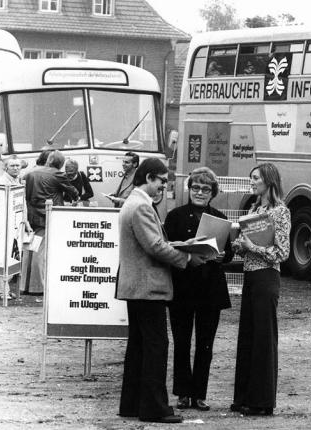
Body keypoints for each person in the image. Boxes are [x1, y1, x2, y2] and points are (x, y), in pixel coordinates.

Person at [116, 158, 207, 424]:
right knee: (156, 347)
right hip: (148, 288)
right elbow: (155, 246)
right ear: (148, 178)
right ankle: (155, 408)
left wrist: (182, 243)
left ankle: (132, 404)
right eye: (161, 181)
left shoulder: (134, 203)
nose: (163, 187)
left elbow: (155, 241)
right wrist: (187, 258)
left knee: (139, 348)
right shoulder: (142, 207)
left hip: (137, 287)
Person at [163, 167, 234, 413]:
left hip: (209, 289)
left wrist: (224, 255)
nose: (200, 192)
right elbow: (167, 247)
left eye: (205, 189)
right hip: (182, 287)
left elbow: (229, 253)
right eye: (195, 187)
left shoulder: (219, 217)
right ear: (189, 188)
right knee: (181, 343)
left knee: (206, 344)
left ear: (212, 192)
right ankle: (183, 393)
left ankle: (200, 394)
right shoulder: (175, 216)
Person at [230, 163, 290, 417]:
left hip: (267, 278)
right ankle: (244, 395)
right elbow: (251, 246)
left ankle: (262, 400)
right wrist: (239, 246)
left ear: (268, 180)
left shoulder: (280, 212)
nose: (252, 182)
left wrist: (252, 247)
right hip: (251, 276)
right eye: (251, 177)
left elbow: (282, 252)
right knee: (248, 336)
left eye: (255, 178)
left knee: (264, 337)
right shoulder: (255, 209)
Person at [23, 150, 78, 294]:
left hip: (30, 216)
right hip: (47, 216)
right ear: (60, 164)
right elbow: (74, 192)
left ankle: (25, 285)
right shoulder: (57, 174)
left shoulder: (31, 172)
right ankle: (38, 287)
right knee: (41, 252)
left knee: (29, 249)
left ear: (49, 160)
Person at [0, 156, 32, 301]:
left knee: (13, 257)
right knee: (4, 258)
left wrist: (26, 222)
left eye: (18, 165)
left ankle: (4, 290)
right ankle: (0, 291)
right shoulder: (1, 183)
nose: (16, 168)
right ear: (6, 168)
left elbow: (21, 204)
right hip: (5, 226)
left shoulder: (17, 181)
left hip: (16, 225)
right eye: (12, 166)